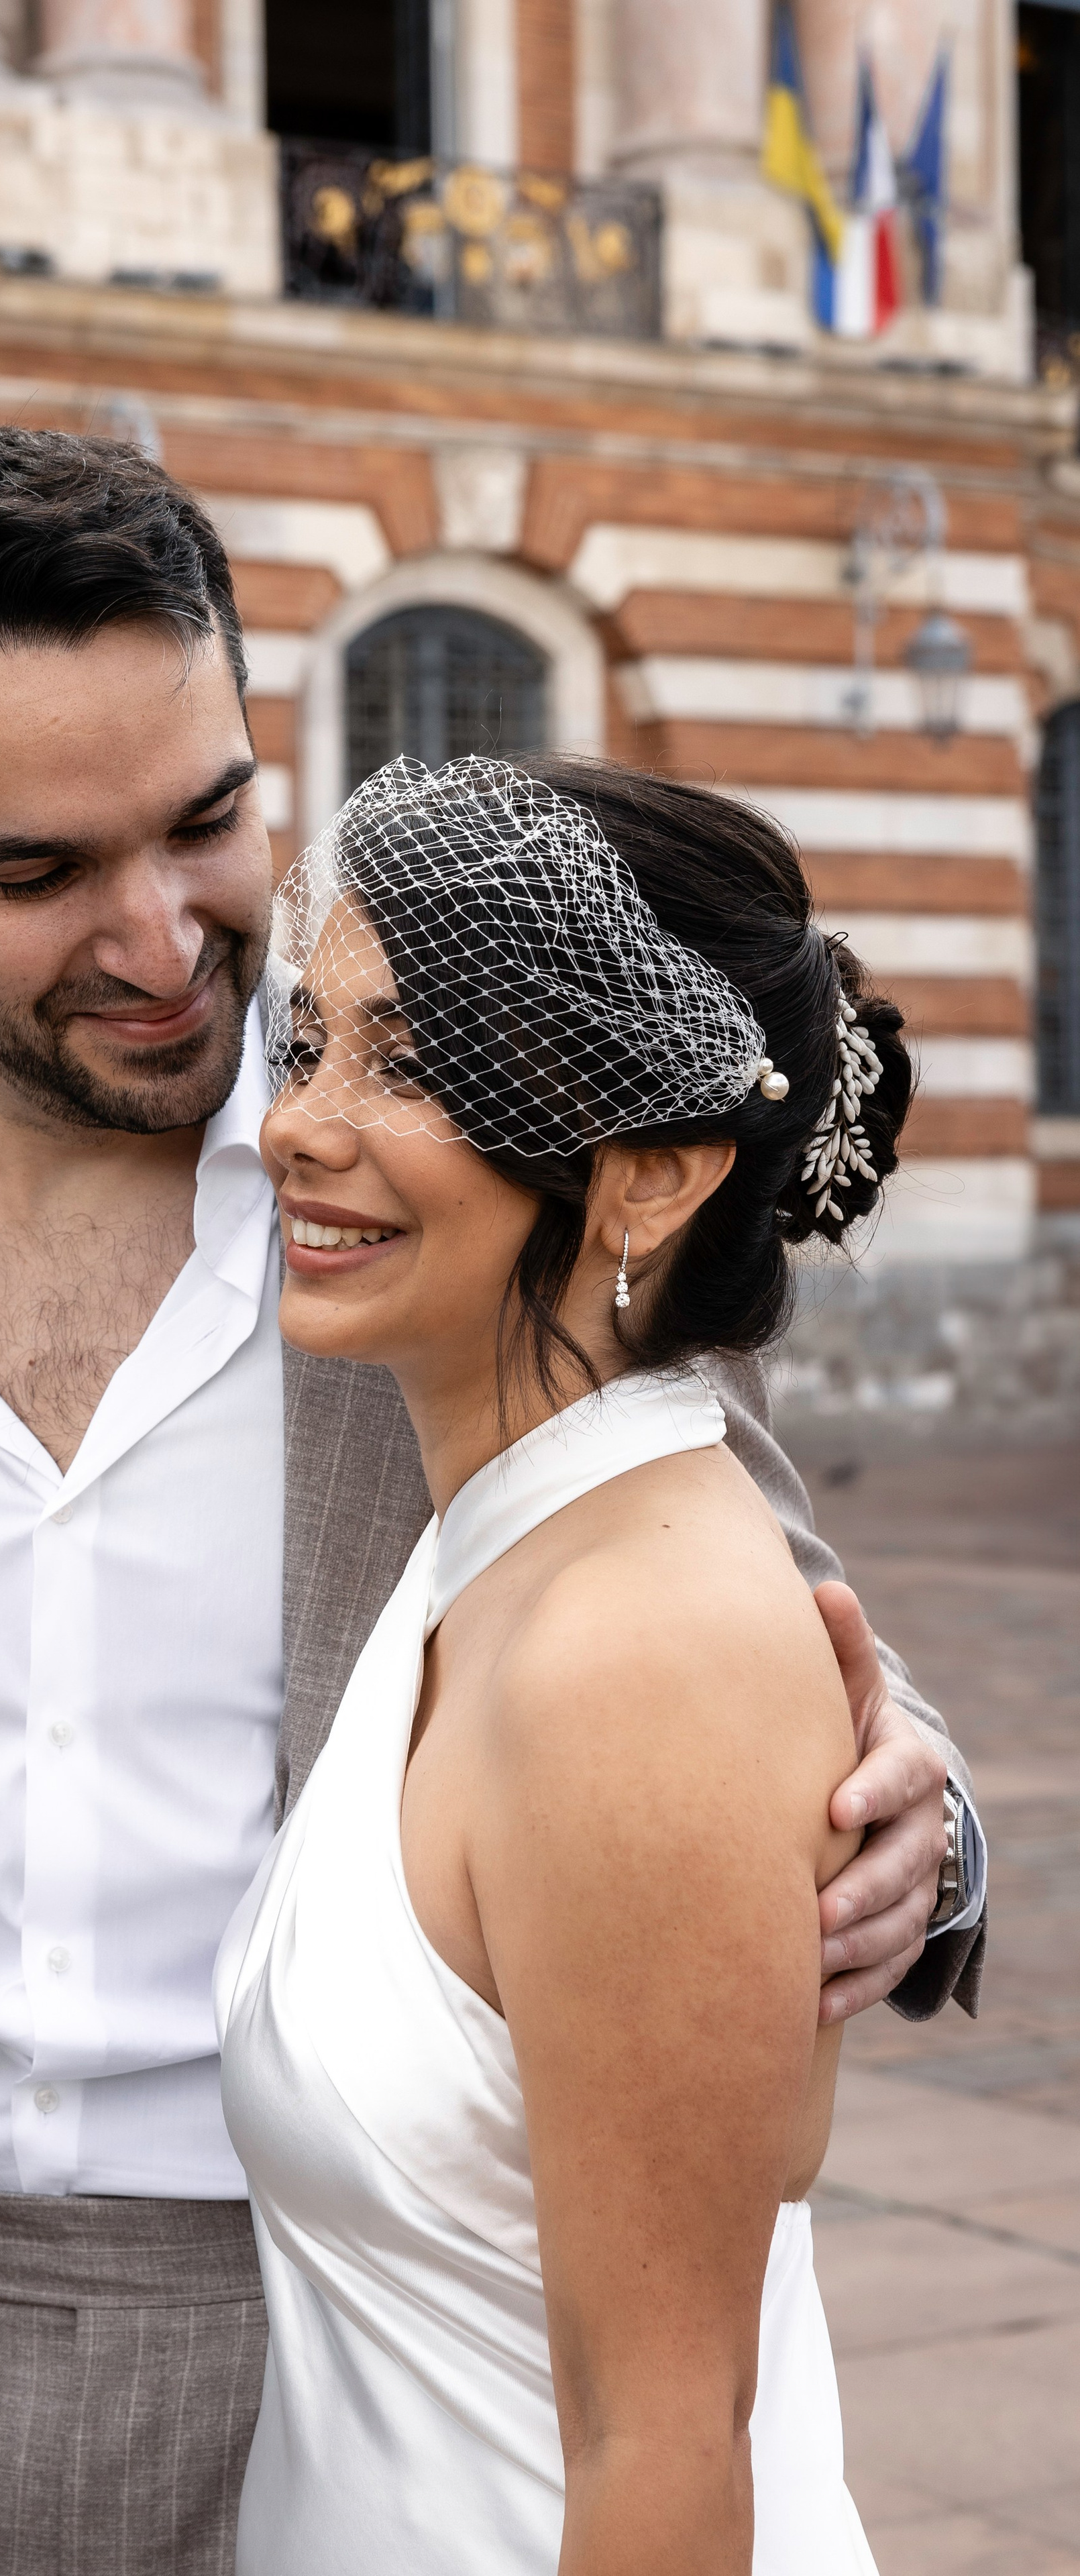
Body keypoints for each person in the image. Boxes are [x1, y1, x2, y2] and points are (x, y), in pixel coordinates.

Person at [0, 431, 983, 2576]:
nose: (168, 941)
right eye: (37, 873)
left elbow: (716, 1580)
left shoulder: (466, 1140)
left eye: (208, 820)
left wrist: (919, 1820)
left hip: (307, 2335)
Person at [215, 754, 916, 2573]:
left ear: (655, 1173)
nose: (297, 1121)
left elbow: (668, 2445)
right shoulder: (500, 1543)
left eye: (414, 1065)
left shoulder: (635, 1652)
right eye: (313, 1044)